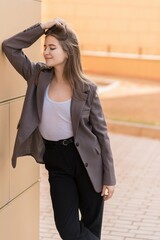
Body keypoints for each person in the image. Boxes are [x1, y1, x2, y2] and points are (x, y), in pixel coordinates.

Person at [2, 18, 116, 240]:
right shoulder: (37, 76)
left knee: (91, 227)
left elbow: (102, 134)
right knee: (68, 229)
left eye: (52, 47)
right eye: (45, 47)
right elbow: (10, 46)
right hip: (57, 160)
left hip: (88, 162)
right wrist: (43, 26)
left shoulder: (87, 89)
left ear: (68, 52)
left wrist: (109, 177)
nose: (45, 52)